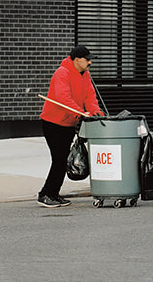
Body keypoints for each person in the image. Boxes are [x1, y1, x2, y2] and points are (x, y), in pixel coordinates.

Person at [38, 44, 101, 207]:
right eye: (87, 60)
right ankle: (46, 194)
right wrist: (80, 113)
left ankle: (53, 193)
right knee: (59, 159)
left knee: (63, 159)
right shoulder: (62, 73)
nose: (90, 63)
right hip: (53, 123)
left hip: (68, 123)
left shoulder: (85, 75)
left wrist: (95, 112)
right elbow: (63, 99)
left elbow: (90, 96)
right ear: (77, 60)